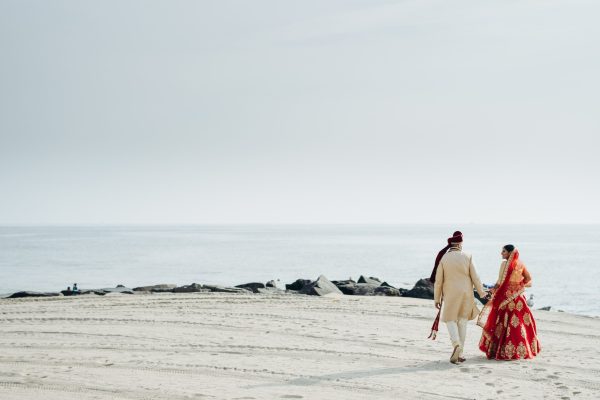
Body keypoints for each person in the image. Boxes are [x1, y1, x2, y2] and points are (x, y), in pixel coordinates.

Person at [432, 232, 487, 364]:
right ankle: (460, 353)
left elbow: (438, 281)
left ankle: (456, 343)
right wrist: (481, 293)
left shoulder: (444, 258)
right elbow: (475, 277)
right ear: (460, 244)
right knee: (462, 321)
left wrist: (437, 298)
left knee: (450, 319)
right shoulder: (467, 256)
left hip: (450, 294)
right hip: (466, 294)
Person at [478, 245, 540, 360]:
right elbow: (528, 278)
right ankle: (523, 350)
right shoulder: (521, 264)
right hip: (518, 299)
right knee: (520, 323)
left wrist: (493, 290)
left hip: (505, 298)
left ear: (510, 253)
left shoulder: (504, 265)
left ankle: (502, 351)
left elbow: (500, 282)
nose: (501, 253)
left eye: (504, 251)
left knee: (503, 323)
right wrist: (517, 286)